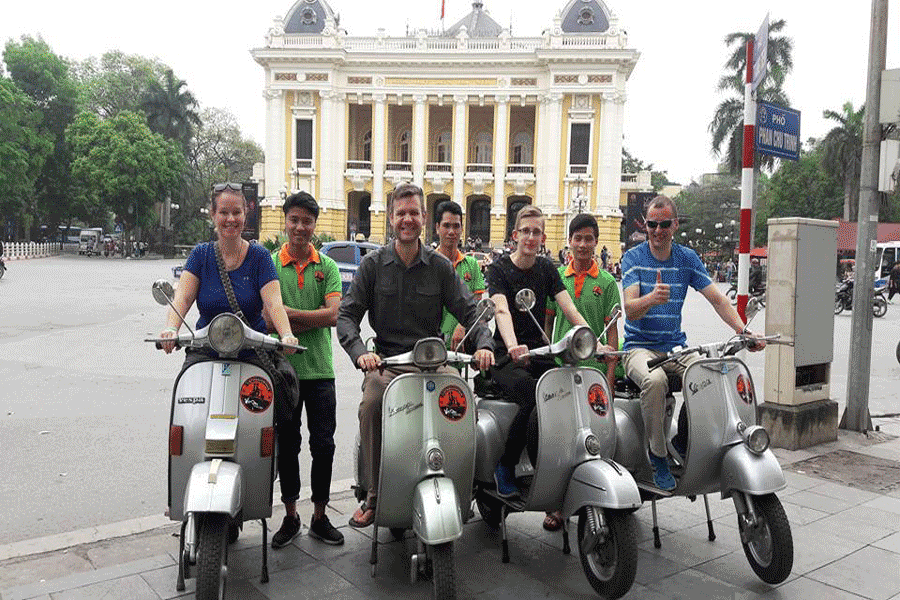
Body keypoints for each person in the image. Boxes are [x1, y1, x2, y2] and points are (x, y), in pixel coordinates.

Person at [337, 182, 495, 527]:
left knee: (463, 403)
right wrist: (361, 353)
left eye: (414, 213)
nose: (407, 219)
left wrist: (483, 343)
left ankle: (464, 487)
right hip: (388, 364)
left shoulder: (440, 267)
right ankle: (374, 495)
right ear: (391, 218)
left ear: (424, 218)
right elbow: (347, 315)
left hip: (434, 364)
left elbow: (472, 310)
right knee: (372, 405)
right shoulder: (373, 265)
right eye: (400, 213)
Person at [621, 195, 763, 491]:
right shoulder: (633, 257)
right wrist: (652, 298)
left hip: (674, 347)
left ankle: (683, 441)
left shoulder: (686, 258)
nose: (657, 231)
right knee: (656, 382)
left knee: (710, 374)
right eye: (651, 224)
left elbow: (717, 299)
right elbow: (630, 308)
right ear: (645, 225)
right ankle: (657, 455)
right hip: (638, 347)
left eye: (663, 225)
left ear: (674, 225)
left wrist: (744, 331)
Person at [487, 206, 596, 498]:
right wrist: (512, 346)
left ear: (544, 237)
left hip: (540, 352)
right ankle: (506, 464)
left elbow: (568, 307)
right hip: (506, 355)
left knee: (565, 386)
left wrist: (591, 338)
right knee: (531, 393)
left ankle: (560, 462)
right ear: (515, 235)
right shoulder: (499, 269)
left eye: (536, 232)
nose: (531, 237)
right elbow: (502, 310)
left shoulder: (547, 269)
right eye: (525, 231)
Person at [265, 192, 345, 547]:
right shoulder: (269, 264)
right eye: (294, 220)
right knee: (288, 444)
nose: (300, 227)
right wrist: (291, 318)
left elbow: (333, 315)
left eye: (307, 221)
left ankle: (320, 515)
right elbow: (267, 315)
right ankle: (291, 514)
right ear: (285, 221)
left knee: (323, 445)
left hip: (320, 371)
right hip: (283, 371)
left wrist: (288, 317)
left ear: (315, 225)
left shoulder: (325, 267)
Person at [541, 213, 619, 531]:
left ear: (596, 242)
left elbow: (612, 332)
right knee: (560, 438)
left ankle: (595, 494)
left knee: (595, 437)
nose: (584, 245)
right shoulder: (557, 277)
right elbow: (547, 322)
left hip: (594, 374)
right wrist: (548, 354)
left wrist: (610, 374)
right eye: (578, 238)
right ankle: (557, 504)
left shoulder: (608, 282)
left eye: (589, 239)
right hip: (562, 371)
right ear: (569, 242)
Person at [434, 200, 485, 349]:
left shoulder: (471, 264)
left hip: (461, 344)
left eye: (456, 226)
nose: (451, 232)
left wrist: (462, 326)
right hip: (432, 345)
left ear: (462, 229)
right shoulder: (429, 264)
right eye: (446, 225)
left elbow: (477, 302)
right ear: (437, 228)